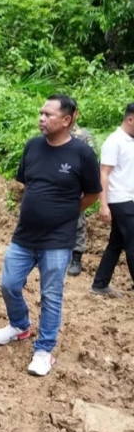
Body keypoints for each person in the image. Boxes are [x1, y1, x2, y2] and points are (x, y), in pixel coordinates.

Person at [0, 95, 101, 376]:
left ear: (67, 120)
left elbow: (92, 194)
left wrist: (67, 213)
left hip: (58, 239)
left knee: (51, 295)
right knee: (8, 284)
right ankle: (19, 325)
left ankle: (44, 350)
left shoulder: (82, 154)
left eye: (48, 115)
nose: (41, 118)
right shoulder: (33, 146)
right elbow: (26, 185)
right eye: (40, 113)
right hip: (24, 235)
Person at [90, 103, 134, 297]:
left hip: (129, 198)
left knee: (117, 242)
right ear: (130, 119)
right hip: (119, 200)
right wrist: (104, 204)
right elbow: (104, 174)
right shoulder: (114, 141)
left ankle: (100, 283)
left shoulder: (130, 141)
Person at [68, 116, 97, 275]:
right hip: (57, 182)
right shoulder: (55, 133)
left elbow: (92, 161)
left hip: (77, 183)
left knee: (77, 220)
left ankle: (76, 258)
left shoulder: (83, 135)